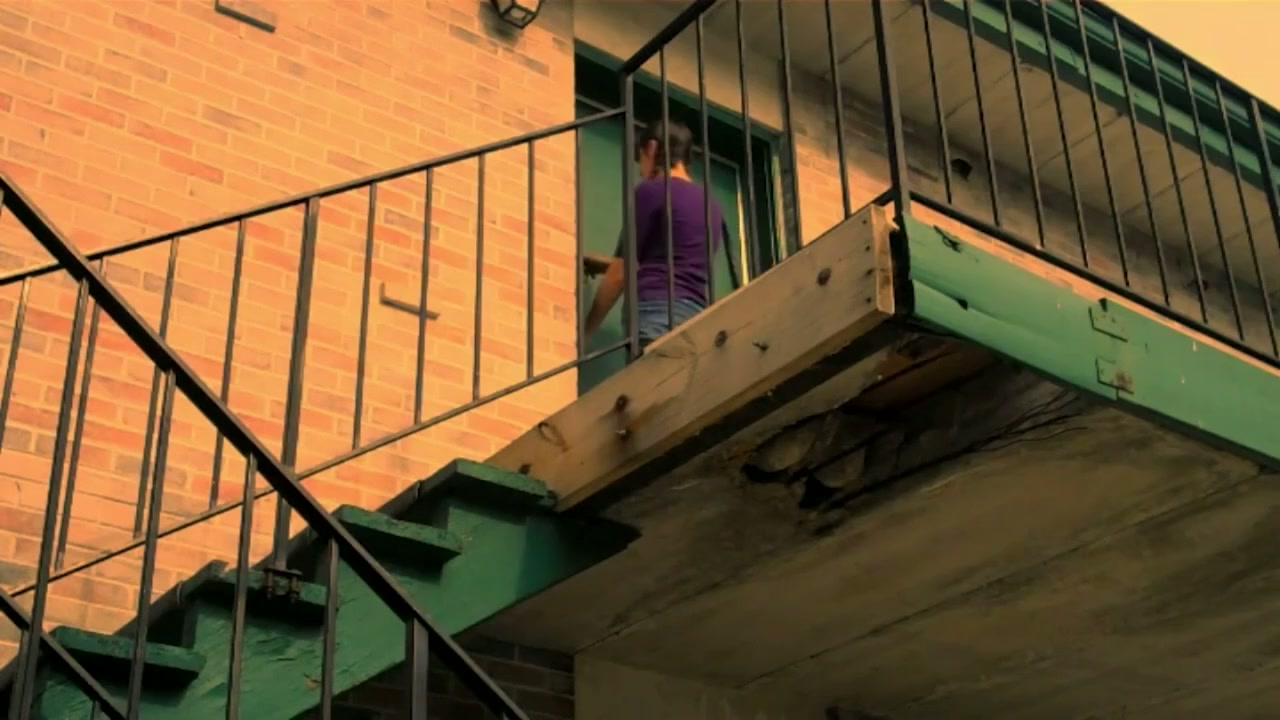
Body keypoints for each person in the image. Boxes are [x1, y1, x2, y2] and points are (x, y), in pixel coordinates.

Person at [583, 119, 725, 352]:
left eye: (641, 159)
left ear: (651, 148)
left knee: (649, 373)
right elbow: (677, 260)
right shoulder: (713, 206)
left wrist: (586, 331)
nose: (641, 171)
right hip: (695, 317)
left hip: (655, 312)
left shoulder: (653, 190)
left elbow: (622, 271)